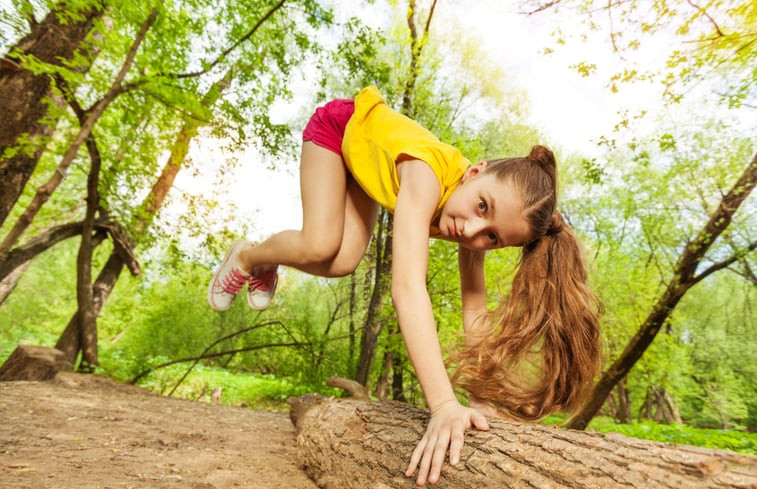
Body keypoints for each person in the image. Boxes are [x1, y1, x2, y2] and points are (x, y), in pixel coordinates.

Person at [207, 86, 602, 486]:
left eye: (493, 238)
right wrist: (443, 404)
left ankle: (266, 257)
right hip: (341, 129)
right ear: (475, 171)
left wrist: (483, 399)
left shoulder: (468, 225)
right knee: (320, 244)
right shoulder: (426, 175)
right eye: (483, 207)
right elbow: (408, 288)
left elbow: (474, 309)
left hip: (367, 169)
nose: (473, 231)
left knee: (343, 262)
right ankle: (248, 257)